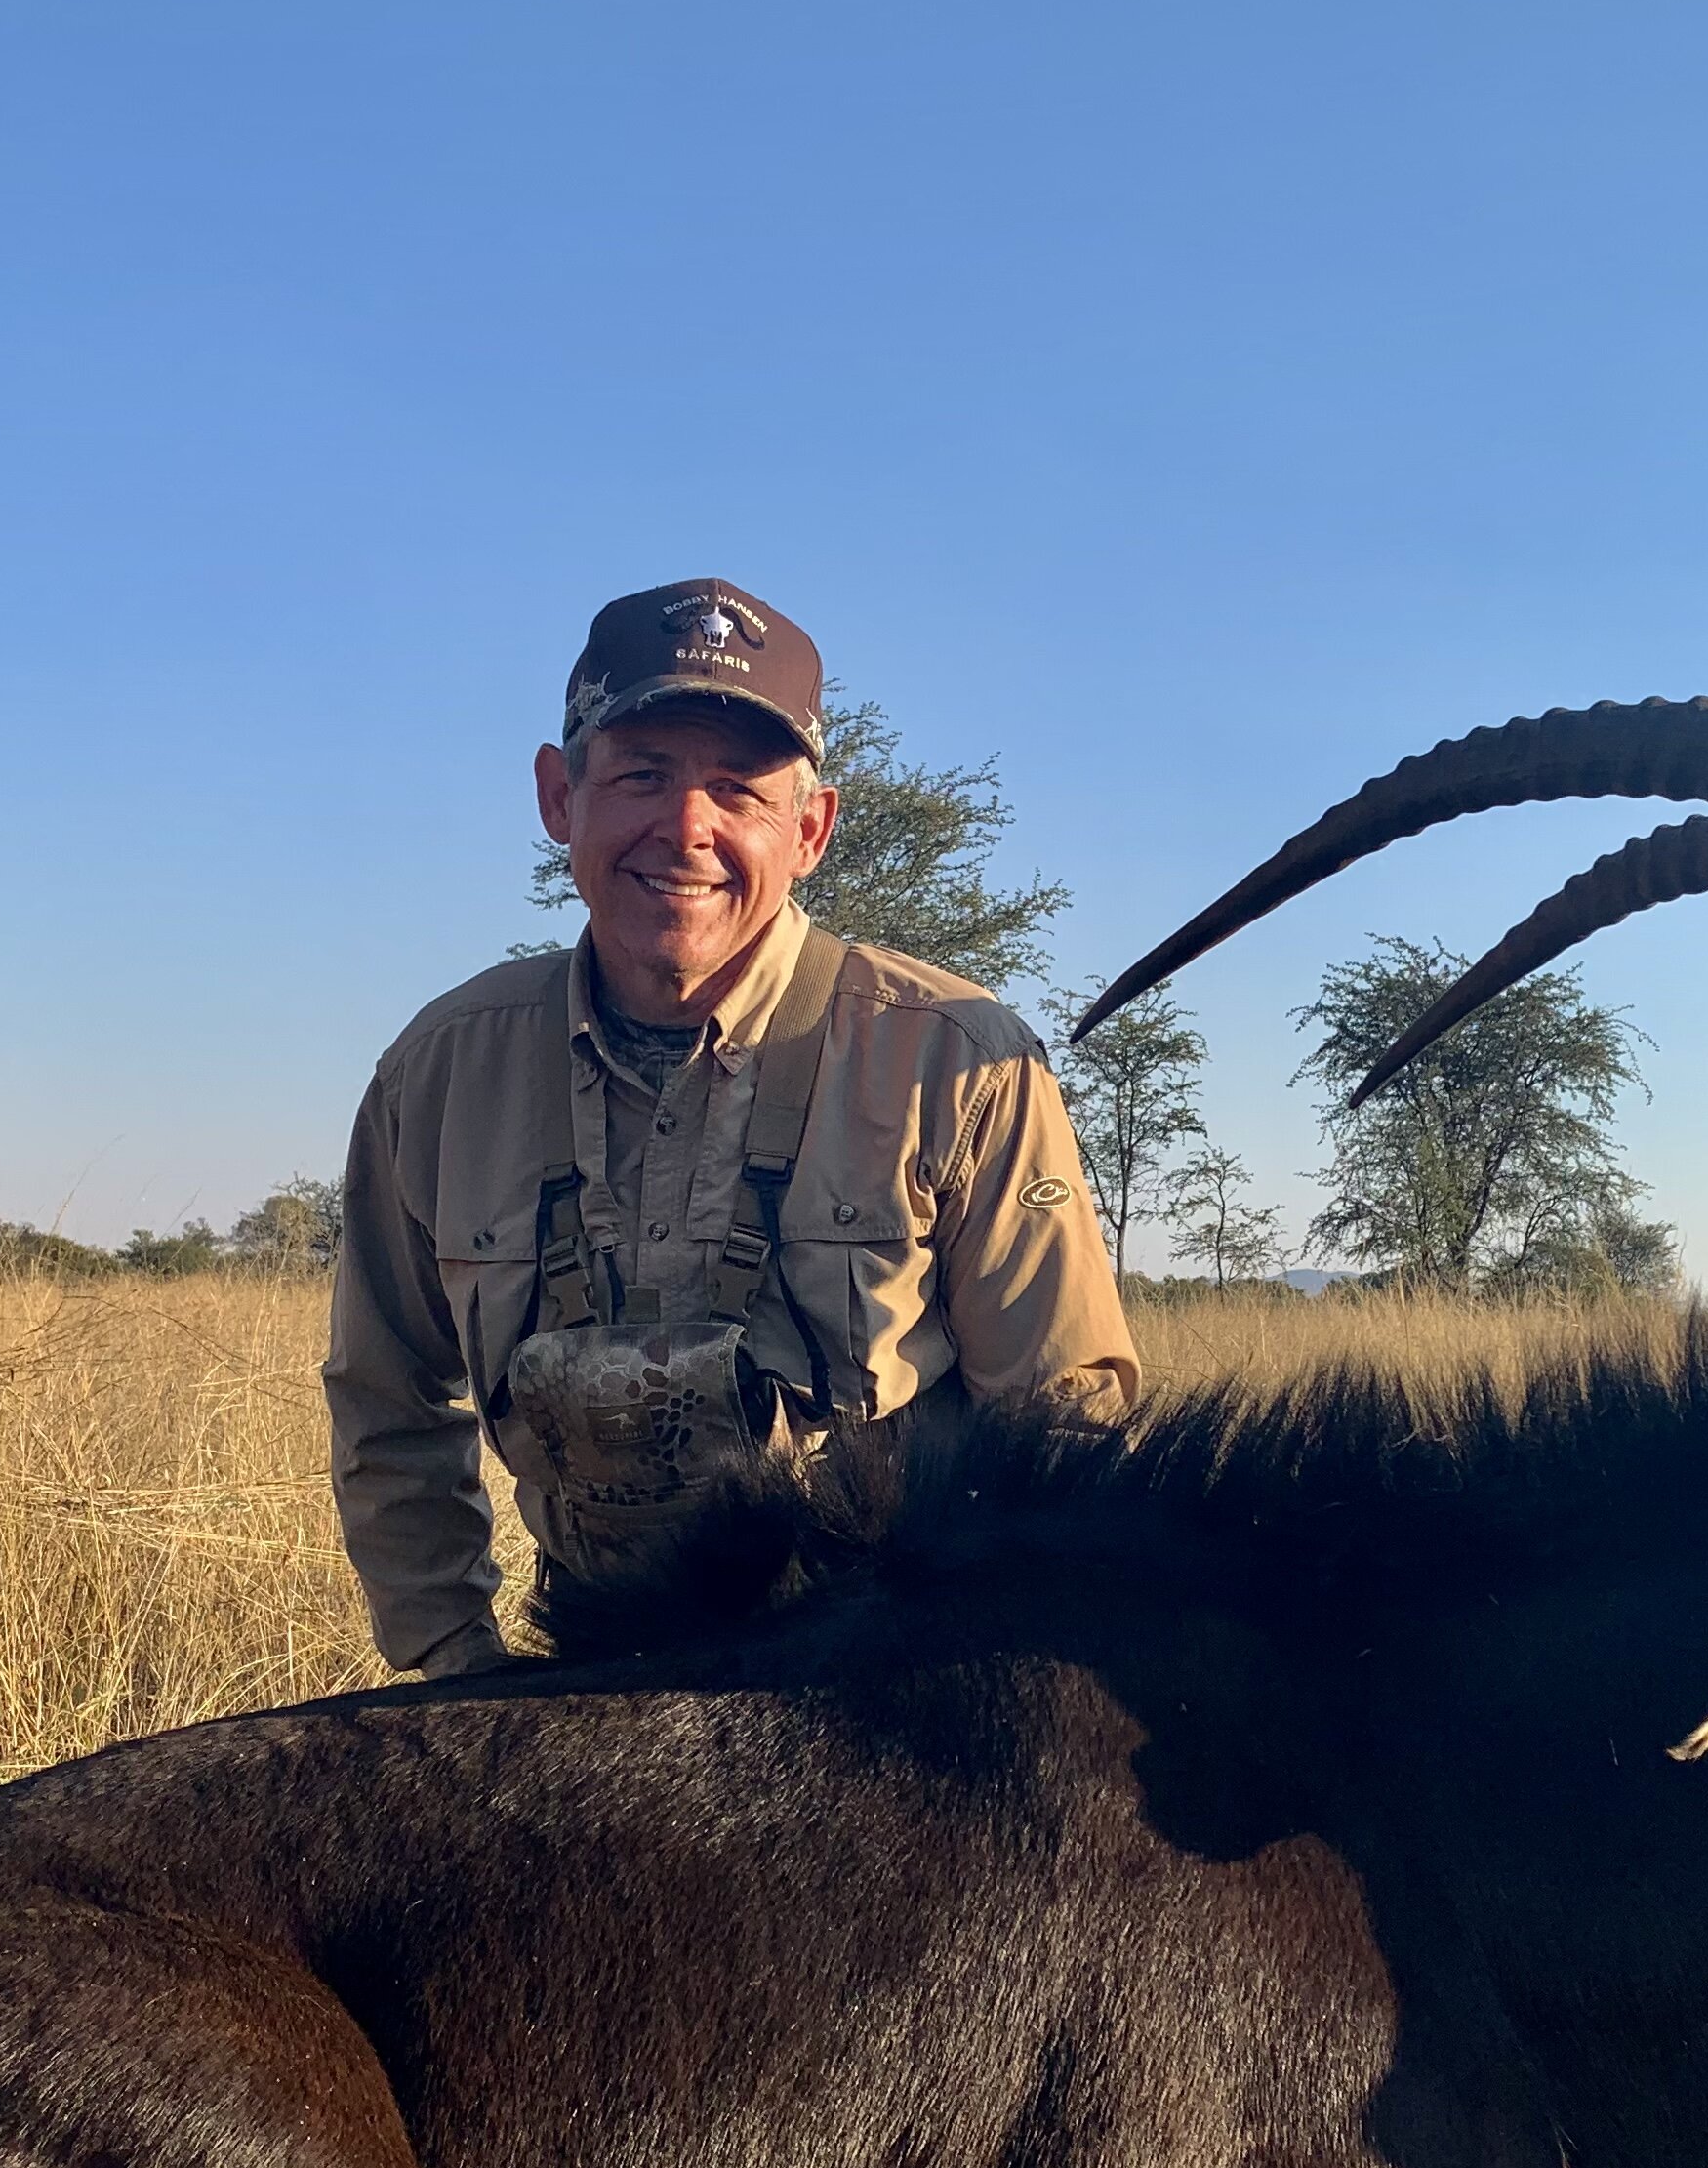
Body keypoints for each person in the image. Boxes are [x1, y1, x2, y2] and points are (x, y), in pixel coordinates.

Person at [326, 578, 1138, 1677]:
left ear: (810, 828)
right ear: (559, 797)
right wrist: (462, 1668)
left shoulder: (959, 1059)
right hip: (581, 1675)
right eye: (642, 775)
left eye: (737, 790)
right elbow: (389, 1403)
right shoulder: (438, 1073)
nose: (687, 829)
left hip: (876, 1689)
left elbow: (1064, 1429)